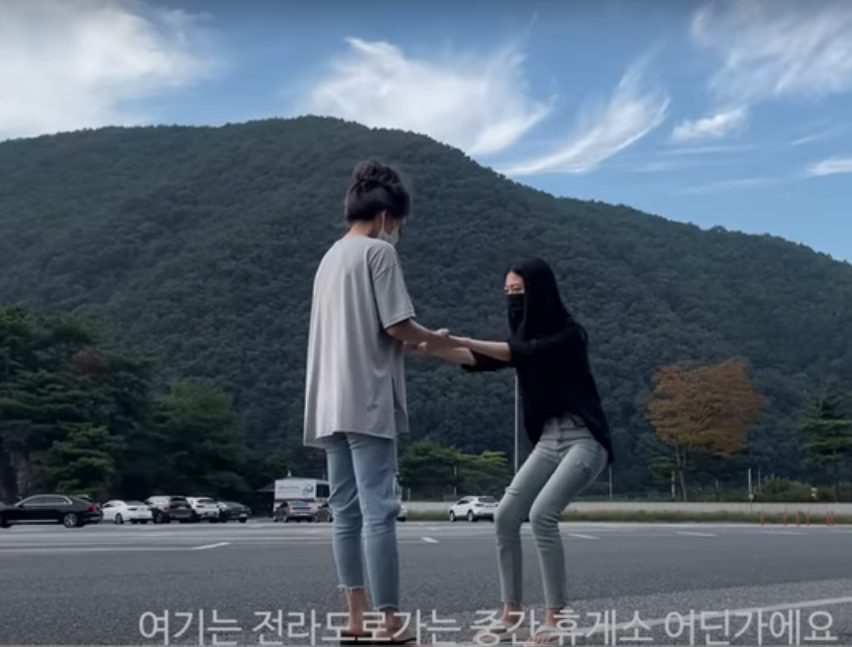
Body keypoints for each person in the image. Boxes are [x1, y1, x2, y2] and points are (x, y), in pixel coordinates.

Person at [416, 256, 615, 645]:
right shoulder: (522, 342)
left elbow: (519, 352)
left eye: (519, 292)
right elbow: (480, 358)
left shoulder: (569, 336)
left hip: (585, 440)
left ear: (539, 291)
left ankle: (557, 615)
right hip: (548, 440)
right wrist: (428, 349)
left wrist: (457, 340)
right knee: (506, 515)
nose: (512, 300)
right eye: (507, 292)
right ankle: (511, 613)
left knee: (542, 515)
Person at [303, 159, 453, 645]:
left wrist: (410, 342)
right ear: (388, 216)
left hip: (328, 402)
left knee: (345, 512)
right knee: (379, 511)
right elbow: (397, 326)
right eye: (400, 224)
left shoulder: (330, 258)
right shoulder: (378, 253)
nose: (398, 232)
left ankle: (356, 616)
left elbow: (363, 333)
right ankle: (389, 621)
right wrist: (435, 340)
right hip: (366, 399)